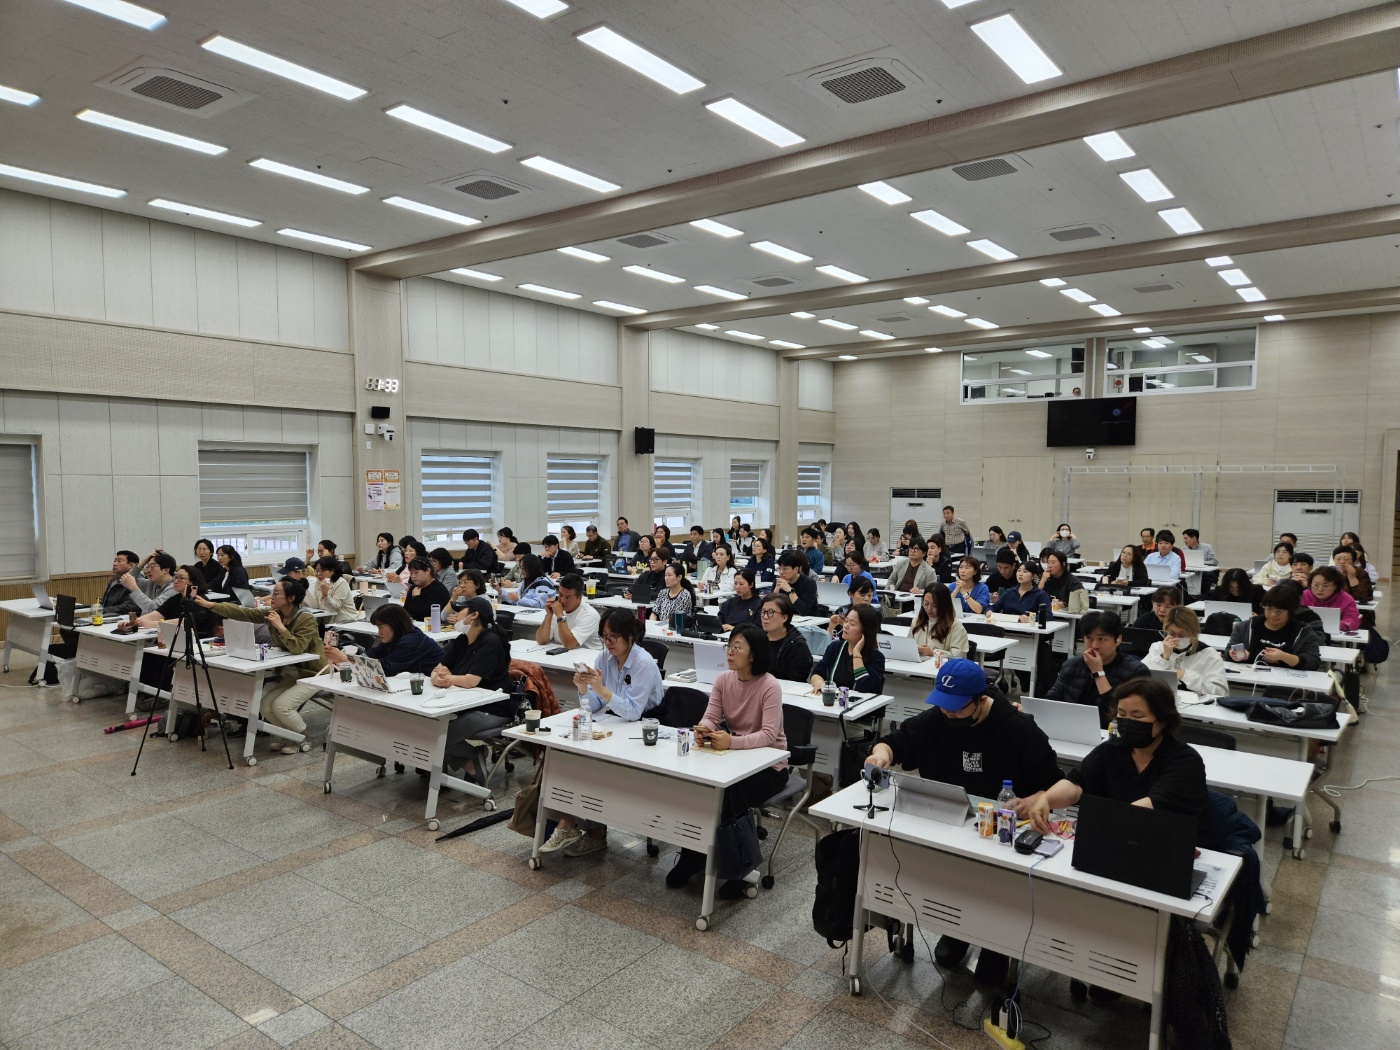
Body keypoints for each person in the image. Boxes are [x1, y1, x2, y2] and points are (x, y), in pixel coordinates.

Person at [867, 657, 1063, 986]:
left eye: (957, 709)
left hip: (1001, 833)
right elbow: (898, 741)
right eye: (943, 706)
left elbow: (1055, 785)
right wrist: (881, 754)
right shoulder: (938, 718)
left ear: (981, 700)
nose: (948, 714)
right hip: (950, 825)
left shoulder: (1018, 729)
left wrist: (1034, 800)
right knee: (948, 877)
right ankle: (956, 928)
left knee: (993, 889)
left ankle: (996, 945)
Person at [669, 623, 789, 898]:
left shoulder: (769, 685)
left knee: (729, 794)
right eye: (729, 646)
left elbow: (769, 735)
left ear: (753, 655)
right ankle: (693, 855)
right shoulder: (724, 679)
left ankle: (740, 869)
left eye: (737, 647)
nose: (730, 652)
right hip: (734, 758)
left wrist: (731, 742)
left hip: (770, 766)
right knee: (699, 787)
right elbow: (712, 716)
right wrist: (703, 729)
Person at [540, 610, 666, 858]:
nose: (608, 643)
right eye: (604, 637)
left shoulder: (643, 663)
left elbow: (633, 712)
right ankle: (569, 822)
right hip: (616, 724)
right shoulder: (604, 657)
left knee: (591, 764)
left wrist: (601, 689)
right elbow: (595, 705)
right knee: (565, 755)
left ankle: (591, 830)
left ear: (630, 636)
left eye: (613, 637)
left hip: (646, 731)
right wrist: (584, 689)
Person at [1030, 675, 1208, 842]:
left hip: (1166, 842)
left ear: (1162, 720)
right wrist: (1046, 799)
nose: (1127, 721)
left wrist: (1101, 824)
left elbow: (1149, 807)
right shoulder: (1111, 749)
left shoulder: (1185, 761)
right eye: (1122, 714)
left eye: (1137, 716)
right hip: (1119, 837)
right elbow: (1076, 784)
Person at [193, 579, 326, 754]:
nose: (271, 597)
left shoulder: (305, 618)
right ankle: (289, 737)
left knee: (281, 706)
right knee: (265, 706)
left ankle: (302, 737)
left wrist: (280, 627)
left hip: (314, 673)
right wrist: (211, 605)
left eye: (276, 593)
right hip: (292, 673)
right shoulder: (273, 613)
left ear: (291, 598)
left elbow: (298, 647)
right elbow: (244, 613)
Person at [431, 597, 515, 785]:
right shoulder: (462, 640)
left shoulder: (490, 642)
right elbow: (437, 669)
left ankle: (472, 760)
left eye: (460, 611)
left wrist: (448, 678)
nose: (455, 615)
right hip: (465, 703)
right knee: (433, 730)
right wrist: (438, 678)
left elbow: (471, 681)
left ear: (474, 616)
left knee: (440, 737)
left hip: (493, 709)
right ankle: (473, 759)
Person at [1045, 611, 1147, 726]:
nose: (1094, 645)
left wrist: (1098, 672)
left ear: (1118, 639)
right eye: (1089, 638)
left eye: (1101, 639)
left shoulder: (1136, 671)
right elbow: (1051, 700)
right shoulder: (1071, 665)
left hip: (1110, 731)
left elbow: (1116, 713)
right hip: (1070, 725)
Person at [328, 604, 443, 676]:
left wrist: (346, 660)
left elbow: (386, 668)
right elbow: (375, 653)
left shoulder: (412, 641)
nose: (379, 633)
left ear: (395, 624)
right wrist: (351, 660)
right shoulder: (397, 635)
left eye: (381, 627)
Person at [1228, 586, 1323, 670]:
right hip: (1248, 678)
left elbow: (1313, 662)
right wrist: (1233, 654)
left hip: (1286, 682)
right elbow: (1229, 651)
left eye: (1280, 611)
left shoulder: (1304, 633)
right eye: (1269, 609)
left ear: (1291, 611)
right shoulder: (1245, 627)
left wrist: (1284, 657)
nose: (1273, 614)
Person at [1144, 607, 1228, 695]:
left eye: (1182, 634)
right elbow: (1141, 678)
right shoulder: (1157, 647)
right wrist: (1163, 658)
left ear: (1193, 632)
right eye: (1172, 633)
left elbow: (1221, 692)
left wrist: (1186, 676)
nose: (1176, 638)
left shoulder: (1209, 655)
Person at [810, 605, 886, 696]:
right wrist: (819, 683)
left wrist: (856, 653)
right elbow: (817, 672)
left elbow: (863, 687)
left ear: (865, 630)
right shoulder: (835, 647)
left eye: (852, 624)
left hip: (861, 704)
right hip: (833, 701)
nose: (846, 626)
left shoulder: (876, 658)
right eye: (846, 621)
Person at [135, 565, 215, 634]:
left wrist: (153, 624)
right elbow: (157, 614)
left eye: (181, 578)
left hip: (199, 638)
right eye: (175, 577)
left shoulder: (199, 599)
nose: (176, 581)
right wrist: (136, 621)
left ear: (192, 582)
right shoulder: (176, 598)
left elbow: (186, 621)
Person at [536, 573, 601, 650]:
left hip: (588, 656)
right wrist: (549, 615)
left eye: (568, 597)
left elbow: (569, 644)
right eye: (560, 595)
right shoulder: (557, 609)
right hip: (564, 655)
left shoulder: (589, 615)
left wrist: (560, 616)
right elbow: (541, 640)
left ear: (580, 598)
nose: (562, 600)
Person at [761, 592, 814, 682]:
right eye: (763, 612)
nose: (765, 617)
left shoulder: (797, 645)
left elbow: (797, 679)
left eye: (770, 612)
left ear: (784, 618)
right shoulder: (756, 639)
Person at [911, 585, 969, 659]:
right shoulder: (917, 621)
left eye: (935, 606)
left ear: (944, 605)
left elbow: (959, 655)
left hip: (943, 665)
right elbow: (909, 645)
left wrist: (933, 653)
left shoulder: (955, 626)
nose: (929, 608)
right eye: (926, 604)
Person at [1301, 566, 1361, 632]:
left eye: (1325, 586)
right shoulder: (1303, 596)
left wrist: (1336, 625)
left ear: (1335, 586)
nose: (1320, 589)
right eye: (1316, 585)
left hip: (1336, 635)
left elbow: (1353, 620)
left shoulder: (1346, 599)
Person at [304, 556, 357, 623]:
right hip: (327, 622)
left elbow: (333, 608)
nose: (318, 573)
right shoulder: (319, 582)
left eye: (322, 571)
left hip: (345, 621)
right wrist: (305, 590)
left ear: (332, 571)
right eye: (317, 570)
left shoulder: (341, 583)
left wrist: (325, 595)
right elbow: (315, 605)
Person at [402, 557, 452, 622]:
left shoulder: (438, 590)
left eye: (416, 572)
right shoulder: (414, 587)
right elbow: (406, 610)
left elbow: (427, 614)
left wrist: (416, 597)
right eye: (411, 573)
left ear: (428, 571)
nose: (413, 576)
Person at [98, 550, 143, 617]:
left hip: (126, 618)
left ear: (131, 565)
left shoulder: (138, 580)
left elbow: (131, 606)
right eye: (115, 561)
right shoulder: (114, 579)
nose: (115, 564)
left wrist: (104, 611)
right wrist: (98, 609)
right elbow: (104, 601)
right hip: (108, 616)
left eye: (119, 561)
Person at [772, 550, 818, 615]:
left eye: (785, 569)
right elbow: (770, 606)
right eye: (779, 568)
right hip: (786, 617)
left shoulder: (809, 583)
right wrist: (776, 590)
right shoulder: (778, 581)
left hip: (808, 618)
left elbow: (804, 610)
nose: (781, 572)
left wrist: (790, 590)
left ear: (796, 569)